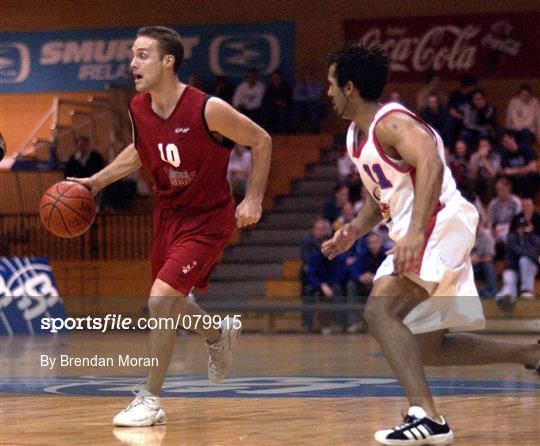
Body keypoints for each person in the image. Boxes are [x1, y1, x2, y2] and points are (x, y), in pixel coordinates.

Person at [322, 43, 539, 445]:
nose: (327, 92)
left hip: (438, 221)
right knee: (428, 347)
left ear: (349, 87)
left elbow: (432, 163)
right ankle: (531, 353)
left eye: (331, 84)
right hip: (423, 226)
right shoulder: (358, 136)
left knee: (380, 310)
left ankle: (429, 418)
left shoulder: (392, 123)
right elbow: (380, 195)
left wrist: (417, 231)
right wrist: (353, 229)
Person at [69, 26, 272, 427]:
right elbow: (139, 152)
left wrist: (253, 198)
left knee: (160, 302)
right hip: (167, 215)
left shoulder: (206, 108)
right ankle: (217, 333)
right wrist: (95, 183)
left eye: (142, 55)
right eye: (132, 54)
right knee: (170, 303)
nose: (132, 63)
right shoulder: (139, 107)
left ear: (168, 62)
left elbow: (261, 139)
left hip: (207, 217)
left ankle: (149, 398)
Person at [506, 84, 540, 149]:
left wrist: (539, 135)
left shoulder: (535, 103)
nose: (525, 97)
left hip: (529, 132)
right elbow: (513, 122)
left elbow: (538, 120)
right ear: (519, 95)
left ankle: (527, 156)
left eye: (527, 95)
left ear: (530, 95)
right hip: (515, 130)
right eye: (523, 95)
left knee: (526, 134)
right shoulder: (513, 102)